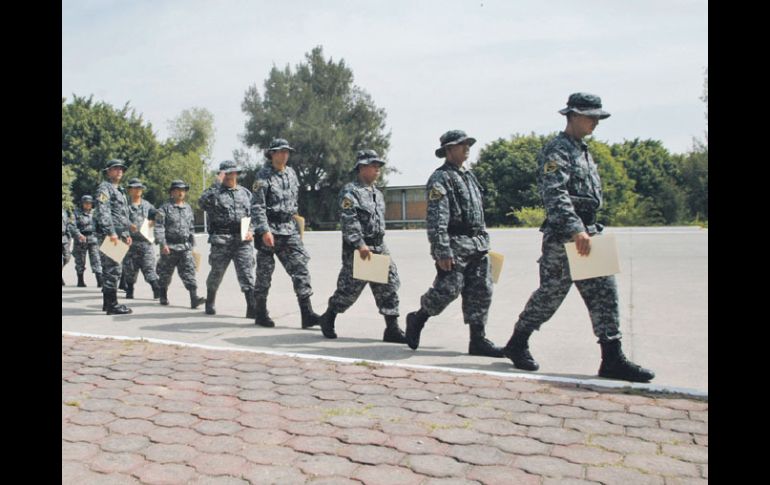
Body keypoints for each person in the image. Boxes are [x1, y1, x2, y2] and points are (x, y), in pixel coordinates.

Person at [501, 92, 655, 383]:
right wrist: (575, 227)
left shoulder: (582, 150)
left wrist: (586, 228)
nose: (595, 122)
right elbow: (554, 193)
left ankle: (612, 358)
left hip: (588, 232)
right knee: (550, 296)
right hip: (566, 236)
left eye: (598, 117)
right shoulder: (557, 150)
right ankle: (517, 342)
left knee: (605, 293)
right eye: (590, 116)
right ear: (572, 115)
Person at [404, 130, 504, 357]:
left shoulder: (469, 176)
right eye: (462, 144)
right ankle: (418, 318)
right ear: (449, 150)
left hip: (477, 244)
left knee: (481, 291)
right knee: (447, 291)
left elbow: (479, 212)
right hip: (455, 244)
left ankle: (477, 340)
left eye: (468, 144)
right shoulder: (440, 179)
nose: (467, 147)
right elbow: (436, 218)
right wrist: (441, 250)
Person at [318, 150, 407, 342]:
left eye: (378, 166)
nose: (377, 169)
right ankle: (329, 317)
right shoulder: (350, 192)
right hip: (359, 249)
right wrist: (359, 243)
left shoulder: (377, 193)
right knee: (349, 290)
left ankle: (391, 328)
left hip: (379, 246)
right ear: (362, 168)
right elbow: (349, 220)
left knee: (389, 285)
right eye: (373, 165)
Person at [251, 138, 320, 328]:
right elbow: (257, 206)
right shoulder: (262, 177)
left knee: (301, 269)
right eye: (280, 151)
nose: (284, 155)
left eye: (287, 151)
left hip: (289, 230)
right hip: (270, 231)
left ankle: (307, 314)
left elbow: (293, 202)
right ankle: (260, 313)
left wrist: (298, 224)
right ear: (272, 154)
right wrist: (264, 230)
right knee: (264, 274)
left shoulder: (291, 174)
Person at [199, 160, 256, 316]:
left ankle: (252, 307)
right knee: (216, 273)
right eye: (226, 173)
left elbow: (254, 214)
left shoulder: (245, 193)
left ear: (236, 173)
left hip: (242, 239)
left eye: (232, 172)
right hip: (221, 238)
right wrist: (216, 184)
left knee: (247, 273)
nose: (230, 176)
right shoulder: (214, 193)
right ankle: (210, 302)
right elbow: (202, 203)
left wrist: (252, 229)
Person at [154, 180, 206, 309]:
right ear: (172, 192)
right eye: (178, 190)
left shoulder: (188, 208)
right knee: (165, 274)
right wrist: (163, 244)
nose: (181, 192)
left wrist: (192, 245)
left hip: (185, 247)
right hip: (170, 247)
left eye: (183, 190)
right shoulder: (164, 208)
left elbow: (191, 228)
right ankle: (163, 295)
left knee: (189, 272)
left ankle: (194, 298)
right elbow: (159, 227)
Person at [94, 159, 133, 314]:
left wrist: (126, 233)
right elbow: (103, 212)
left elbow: (122, 215)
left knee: (111, 269)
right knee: (113, 269)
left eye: (121, 169)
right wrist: (111, 232)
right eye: (115, 169)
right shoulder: (105, 188)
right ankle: (112, 305)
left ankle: (107, 303)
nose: (119, 171)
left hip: (119, 234)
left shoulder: (120, 190)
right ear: (108, 171)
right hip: (111, 235)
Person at [122, 178, 161, 299]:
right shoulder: (125, 205)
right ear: (129, 190)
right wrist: (129, 226)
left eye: (139, 188)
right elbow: (119, 219)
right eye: (135, 188)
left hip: (145, 242)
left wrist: (153, 221)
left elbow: (157, 215)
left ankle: (156, 289)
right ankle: (130, 290)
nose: (138, 190)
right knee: (130, 269)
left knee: (149, 267)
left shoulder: (147, 205)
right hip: (129, 242)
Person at [71, 195, 103, 287]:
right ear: (82, 204)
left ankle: (100, 281)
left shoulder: (95, 213)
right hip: (81, 239)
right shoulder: (76, 213)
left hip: (93, 238)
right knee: (80, 261)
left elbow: (100, 225)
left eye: (89, 203)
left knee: (96, 260)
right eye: (86, 203)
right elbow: (72, 226)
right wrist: (78, 235)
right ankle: (80, 280)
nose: (88, 205)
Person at [62, 208, 74, 286]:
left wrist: (69, 238)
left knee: (67, 257)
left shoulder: (64, 211)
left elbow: (67, 224)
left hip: (64, 238)